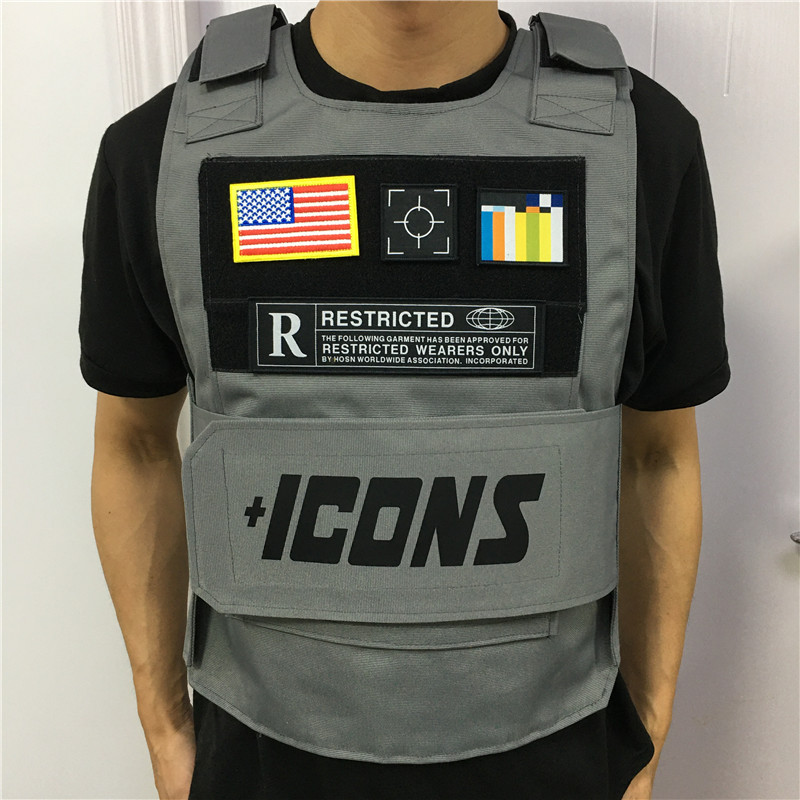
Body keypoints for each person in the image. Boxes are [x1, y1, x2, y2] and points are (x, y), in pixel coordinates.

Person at [80, 3, 729, 799]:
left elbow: (659, 456)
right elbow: (134, 444)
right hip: (260, 762)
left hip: (558, 757)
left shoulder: (643, 142)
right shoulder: (157, 150)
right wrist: (164, 731)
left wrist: (648, 738)